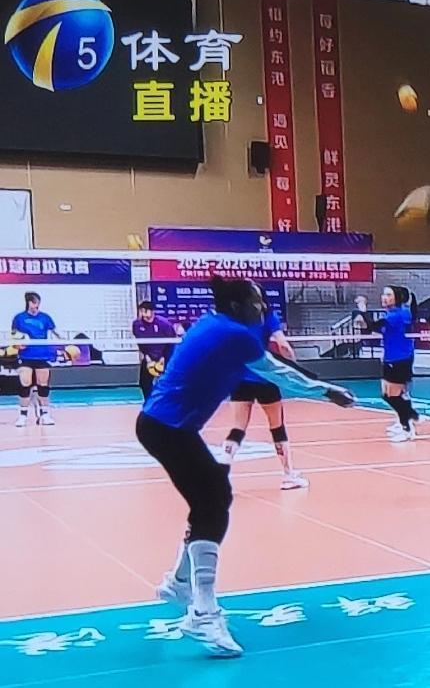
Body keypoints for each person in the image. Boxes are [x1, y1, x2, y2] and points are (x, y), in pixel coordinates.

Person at [136, 277, 353, 658]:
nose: (262, 308)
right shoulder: (234, 334)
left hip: (166, 425)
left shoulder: (215, 324)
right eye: (255, 303)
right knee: (214, 501)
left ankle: (180, 583)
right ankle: (202, 612)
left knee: (210, 500)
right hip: (166, 428)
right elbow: (277, 370)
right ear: (237, 307)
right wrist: (326, 390)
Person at [219, 296, 309, 491]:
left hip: (239, 378)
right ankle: (289, 475)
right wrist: (295, 367)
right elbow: (283, 345)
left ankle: (220, 474)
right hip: (265, 377)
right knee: (277, 427)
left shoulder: (234, 318)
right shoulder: (267, 316)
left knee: (238, 428)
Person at [361, 285, 419, 443]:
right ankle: (411, 417)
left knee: (394, 396)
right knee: (388, 395)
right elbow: (379, 329)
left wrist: (363, 310)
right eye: (384, 294)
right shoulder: (392, 314)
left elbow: (373, 325)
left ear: (397, 298)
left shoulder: (398, 314)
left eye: (388, 295)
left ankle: (408, 427)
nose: (384, 297)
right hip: (390, 358)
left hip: (400, 359)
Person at [12, 292, 60, 427]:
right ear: (28, 303)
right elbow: (13, 335)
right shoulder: (19, 318)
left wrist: (68, 344)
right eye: (34, 303)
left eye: (38, 303)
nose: (36, 305)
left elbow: (56, 332)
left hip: (42, 355)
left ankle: (45, 415)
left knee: (43, 385)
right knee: (25, 384)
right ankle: (23, 416)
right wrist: (17, 343)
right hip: (25, 356)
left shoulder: (45, 318)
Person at [132, 301, 177, 401]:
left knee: (167, 382)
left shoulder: (164, 324)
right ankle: (149, 402)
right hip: (149, 357)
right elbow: (140, 342)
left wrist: (163, 357)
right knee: (144, 382)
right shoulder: (137, 325)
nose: (143, 314)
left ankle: (167, 402)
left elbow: (172, 341)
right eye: (141, 311)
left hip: (164, 357)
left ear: (152, 311)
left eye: (145, 311)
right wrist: (147, 357)